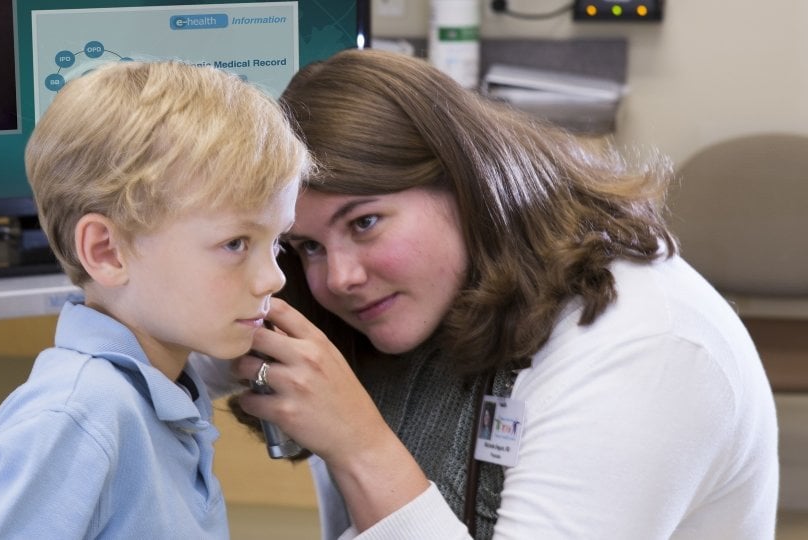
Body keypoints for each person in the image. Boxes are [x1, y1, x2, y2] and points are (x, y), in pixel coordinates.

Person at [220, 48, 779, 539]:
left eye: (365, 223)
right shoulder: (435, 290)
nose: (338, 278)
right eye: (308, 247)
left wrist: (361, 447)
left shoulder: (645, 347)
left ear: (466, 182)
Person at [0, 60, 310, 538]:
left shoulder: (163, 387)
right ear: (106, 252)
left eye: (276, 242)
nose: (273, 278)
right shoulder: (76, 418)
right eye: (235, 244)